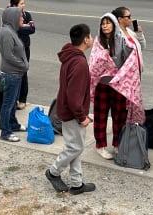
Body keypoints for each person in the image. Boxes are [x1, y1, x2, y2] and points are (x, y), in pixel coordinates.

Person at [45, 24, 96, 195]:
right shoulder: (79, 63)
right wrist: (82, 117)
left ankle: (77, 183)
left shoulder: (70, 56)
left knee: (76, 146)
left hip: (67, 110)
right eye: (90, 36)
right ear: (85, 39)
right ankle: (53, 172)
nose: (92, 38)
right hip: (72, 113)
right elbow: (74, 96)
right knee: (75, 148)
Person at [88, 13, 143, 160]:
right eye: (103, 23)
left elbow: (131, 59)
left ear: (114, 24)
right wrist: (104, 58)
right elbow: (93, 62)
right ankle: (100, 145)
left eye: (108, 23)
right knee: (101, 116)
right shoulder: (98, 41)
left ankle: (118, 144)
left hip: (119, 86)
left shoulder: (122, 40)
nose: (105, 26)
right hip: (103, 85)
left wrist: (120, 73)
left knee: (120, 116)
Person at [0, 6, 29, 142]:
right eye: (20, 16)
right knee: (8, 104)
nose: (22, 18)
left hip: (16, 74)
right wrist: (23, 65)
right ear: (13, 18)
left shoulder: (12, 31)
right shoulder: (6, 33)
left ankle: (13, 124)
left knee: (12, 102)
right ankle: (5, 131)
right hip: (11, 74)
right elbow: (8, 55)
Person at [10, 0, 35, 110]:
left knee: (23, 73)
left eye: (24, 3)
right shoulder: (10, 15)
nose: (23, 6)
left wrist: (23, 27)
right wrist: (24, 27)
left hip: (25, 48)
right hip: (15, 49)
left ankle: (22, 99)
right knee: (14, 73)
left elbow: (32, 29)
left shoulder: (27, 15)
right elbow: (15, 29)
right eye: (21, 4)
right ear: (14, 5)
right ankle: (13, 98)